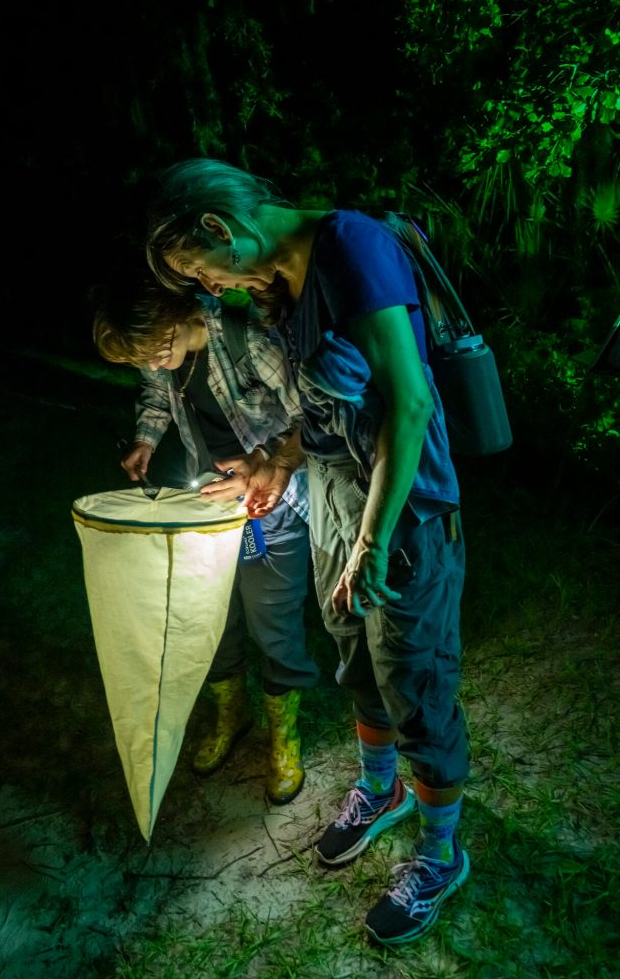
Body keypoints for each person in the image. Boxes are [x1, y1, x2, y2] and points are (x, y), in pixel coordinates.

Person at [143, 158, 471, 947]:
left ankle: (440, 853)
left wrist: (372, 542)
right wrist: (274, 465)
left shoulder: (351, 245)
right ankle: (381, 790)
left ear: (219, 227)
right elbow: (317, 408)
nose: (207, 288)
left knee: (413, 674)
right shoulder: (280, 285)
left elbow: (410, 402)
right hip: (331, 487)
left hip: (400, 505)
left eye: (199, 268)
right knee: (353, 649)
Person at [92, 281, 319, 805]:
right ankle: (230, 716)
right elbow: (156, 395)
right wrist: (146, 439)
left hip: (271, 502)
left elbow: (311, 417)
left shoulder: (248, 337)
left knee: (274, 624)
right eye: (140, 360)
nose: (153, 365)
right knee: (212, 617)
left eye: (155, 351)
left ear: (172, 314)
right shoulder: (159, 351)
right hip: (208, 505)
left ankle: (284, 737)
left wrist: (266, 464)